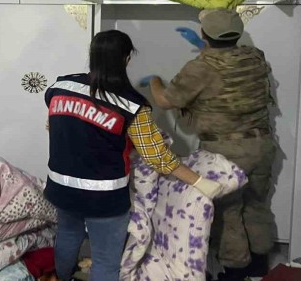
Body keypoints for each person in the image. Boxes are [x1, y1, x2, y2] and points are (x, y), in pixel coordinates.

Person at [44, 30, 231, 281]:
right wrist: (200, 182)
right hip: (103, 198)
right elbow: (157, 157)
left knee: (68, 235)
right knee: (105, 260)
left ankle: (60, 277)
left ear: (92, 55)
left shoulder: (60, 87)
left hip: (61, 187)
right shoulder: (130, 105)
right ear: (127, 58)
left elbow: (52, 125)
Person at [143, 8, 276, 279]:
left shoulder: (200, 68)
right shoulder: (255, 56)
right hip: (262, 144)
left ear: (204, 33)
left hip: (227, 151)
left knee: (228, 211)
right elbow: (228, 63)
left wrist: (155, 81)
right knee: (256, 204)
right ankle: (259, 265)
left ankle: (235, 272)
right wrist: (207, 46)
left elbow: (165, 100)